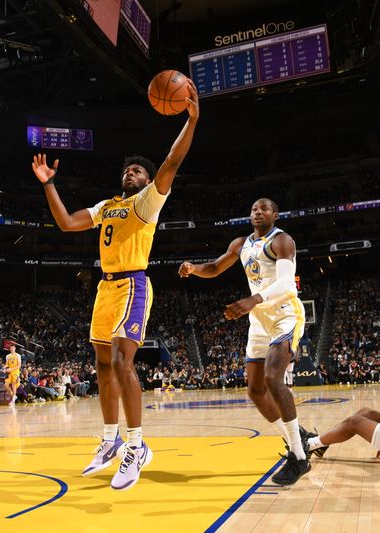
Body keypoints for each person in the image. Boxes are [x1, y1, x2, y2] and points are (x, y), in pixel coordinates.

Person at [31, 79, 199, 491]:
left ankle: (137, 446)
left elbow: (171, 163)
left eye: (138, 170)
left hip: (132, 285)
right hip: (105, 290)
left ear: (146, 181)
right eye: (127, 168)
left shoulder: (147, 202)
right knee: (103, 365)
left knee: (124, 363)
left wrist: (192, 120)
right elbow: (68, 223)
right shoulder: (108, 206)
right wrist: (49, 184)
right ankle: (110, 440)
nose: (131, 172)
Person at [178, 198, 310, 485]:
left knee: (274, 379)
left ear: (275, 214)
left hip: (285, 313)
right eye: (253, 209)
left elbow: (287, 283)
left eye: (263, 209)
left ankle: (299, 457)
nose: (257, 212)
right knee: (255, 389)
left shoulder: (282, 240)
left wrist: (253, 299)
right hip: (259, 320)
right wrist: (193, 269)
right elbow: (214, 268)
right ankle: (295, 436)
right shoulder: (241, 244)